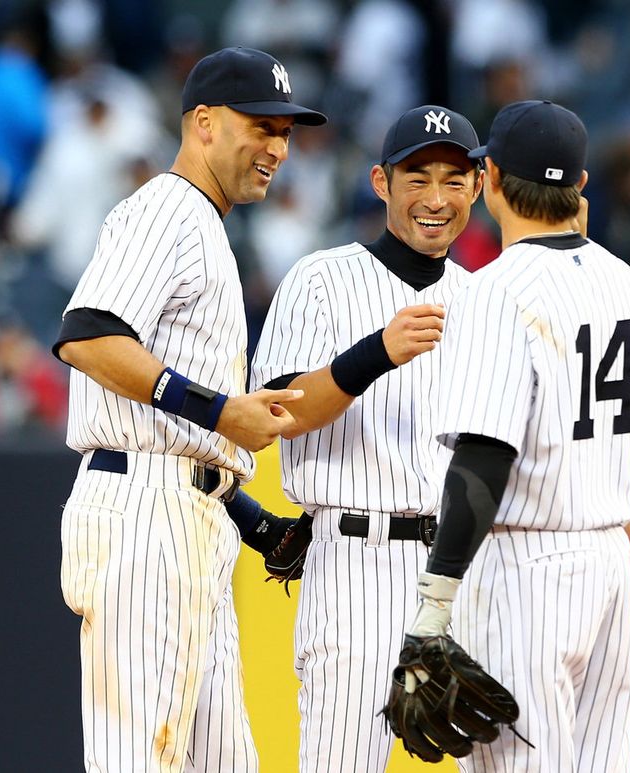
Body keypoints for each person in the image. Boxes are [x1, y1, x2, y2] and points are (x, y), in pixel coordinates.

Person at [52, 47, 326, 772]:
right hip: (144, 514)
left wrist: (250, 518)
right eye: (260, 126)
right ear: (203, 122)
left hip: (191, 513)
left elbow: (184, 434)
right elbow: (87, 335)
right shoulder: (167, 207)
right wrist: (218, 410)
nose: (277, 147)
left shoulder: (203, 222)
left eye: (285, 132)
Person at [391, 100, 630, 771]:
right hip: (607, 565)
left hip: (524, 572)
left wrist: (432, 609)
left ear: (487, 180)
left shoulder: (497, 291)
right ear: (579, 186)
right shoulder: (623, 281)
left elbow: (484, 459)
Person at [249, 105, 483, 771]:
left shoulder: (487, 298)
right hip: (356, 557)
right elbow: (280, 415)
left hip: (460, 566)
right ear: (381, 183)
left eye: (453, 179)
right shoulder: (321, 278)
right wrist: (375, 352)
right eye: (417, 178)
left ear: (477, 188)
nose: (435, 198)